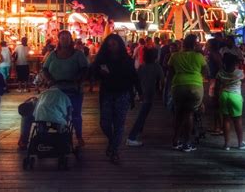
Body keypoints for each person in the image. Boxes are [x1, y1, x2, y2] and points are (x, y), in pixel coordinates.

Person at [91, 34, 142, 164]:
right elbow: (92, 73)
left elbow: (134, 77)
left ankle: (114, 151)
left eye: (114, 44)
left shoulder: (127, 60)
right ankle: (113, 142)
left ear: (119, 44)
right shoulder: (102, 59)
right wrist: (99, 73)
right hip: (107, 93)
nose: (111, 47)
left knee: (119, 124)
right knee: (104, 123)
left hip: (123, 93)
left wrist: (140, 92)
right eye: (109, 44)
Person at [42, 30, 88, 147]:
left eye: (67, 37)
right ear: (59, 39)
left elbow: (85, 69)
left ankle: (78, 136)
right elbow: (45, 69)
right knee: (54, 112)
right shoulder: (53, 54)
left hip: (73, 89)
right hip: (56, 89)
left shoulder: (78, 54)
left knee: (75, 114)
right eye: (62, 37)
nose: (64, 39)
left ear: (70, 39)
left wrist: (78, 80)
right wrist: (49, 80)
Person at [168, 34, 208, 152]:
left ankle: (175, 140)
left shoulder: (175, 56)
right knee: (189, 114)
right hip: (195, 86)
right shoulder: (199, 56)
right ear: (195, 44)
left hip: (178, 86)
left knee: (178, 113)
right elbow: (206, 71)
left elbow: (170, 74)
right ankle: (187, 143)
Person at [126, 48, 164, 146]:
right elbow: (162, 80)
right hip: (150, 93)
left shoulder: (142, 67)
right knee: (142, 115)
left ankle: (138, 132)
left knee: (143, 113)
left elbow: (136, 80)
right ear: (155, 57)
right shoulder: (157, 67)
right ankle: (132, 137)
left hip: (142, 93)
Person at [217, 53, 245, 150]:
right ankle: (240, 143)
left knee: (226, 120)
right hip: (235, 96)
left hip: (224, 95)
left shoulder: (220, 73)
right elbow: (244, 80)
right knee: (237, 121)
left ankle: (227, 144)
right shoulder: (239, 72)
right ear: (235, 63)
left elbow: (218, 86)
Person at [205, 38, 223, 135]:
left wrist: (218, 79)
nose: (206, 45)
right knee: (214, 105)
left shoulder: (214, 54)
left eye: (207, 43)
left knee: (216, 105)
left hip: (215, 81)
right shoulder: (212, 54)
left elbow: (220, 67)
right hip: (213, 80)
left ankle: (220, 127)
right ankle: (216, 126)